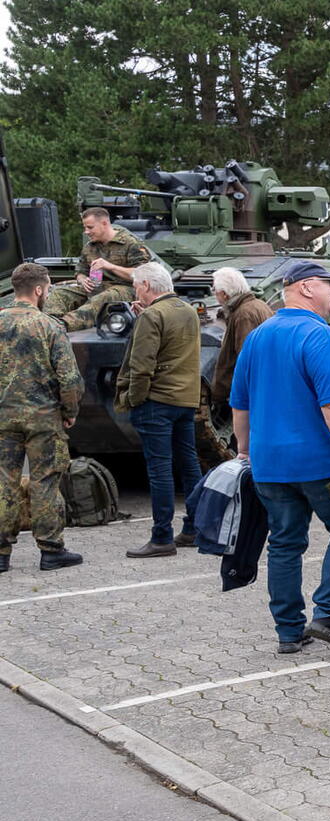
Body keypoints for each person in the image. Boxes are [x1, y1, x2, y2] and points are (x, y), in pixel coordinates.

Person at [229, 260, 330, 655]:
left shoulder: (257, 338)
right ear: (307, 287)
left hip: (270, 467)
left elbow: (241, 405)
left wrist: (245, 448)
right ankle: (329, 613)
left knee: (285, 543)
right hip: (323, 465)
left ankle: (289, 631)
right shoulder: (320, 337)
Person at [0, 264, 85, 573]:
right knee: (45, 481)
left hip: (3, 418)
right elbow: (69, 378)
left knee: (3, 481)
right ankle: (51, 550)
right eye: (48, 289)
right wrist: (70, 412)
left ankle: (1, 553)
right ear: (38, 290)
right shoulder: (49, 326)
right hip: (43, 419)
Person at [117, 263, 205, 558]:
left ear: (145, 286)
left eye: (136, 286)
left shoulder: (153, 315)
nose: (135, 291)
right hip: (184, 400)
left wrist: (135, 399)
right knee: (189, 464)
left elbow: (141, 367)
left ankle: (161, 537)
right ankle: (194, 528)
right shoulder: (187, 309)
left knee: (159, 469)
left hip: (156, 402)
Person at [43, 206, 154, 329]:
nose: (86, 231)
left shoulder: (131, 244)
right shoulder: (90, 246)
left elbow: (142, 275)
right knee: (60, 293)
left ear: (104, 223)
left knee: (102, 298)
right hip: (96, 287)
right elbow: (80, 271)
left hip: (125, 289)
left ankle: (63, 326)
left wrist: (110, 267)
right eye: (85, 227)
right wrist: (83, 280)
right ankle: (48, 324)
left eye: (90, 227)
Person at [209, 267, 272, 412]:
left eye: (215, 291)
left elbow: (246, 357)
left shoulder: (243, 314)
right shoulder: (259, 305)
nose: (215, 296)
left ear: (224, 294)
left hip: (253, 392)